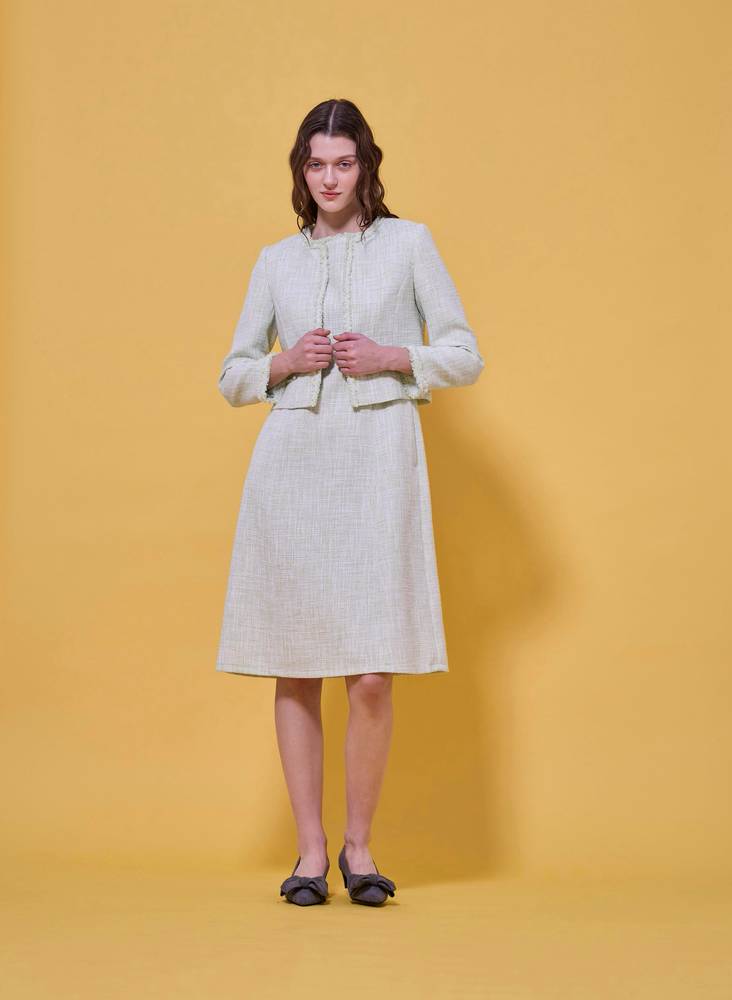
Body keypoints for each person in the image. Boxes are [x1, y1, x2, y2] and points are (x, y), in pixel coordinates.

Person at [215, 98, 485, 906]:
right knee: (297, 666)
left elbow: (465, 354)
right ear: (300, 171)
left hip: (378, 463)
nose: (329, 179)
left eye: (343, 163)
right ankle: (308, 854)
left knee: (370, 673)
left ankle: (358, 849)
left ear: (366, 165)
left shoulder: (410, 245)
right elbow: (231, 375)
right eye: (315, 164)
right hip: (292, 466)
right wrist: (283, 362)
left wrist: (394, 356)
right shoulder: (276, 261)